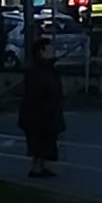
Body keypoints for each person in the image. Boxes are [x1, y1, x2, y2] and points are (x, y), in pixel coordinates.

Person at [19, 38, 66, 178]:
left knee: (47, 141)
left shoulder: (48, 69)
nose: (52, 51)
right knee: (40, 141)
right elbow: (37, 93)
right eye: (48, 49)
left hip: (46, 112)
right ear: (41, 52)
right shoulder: (38, 71)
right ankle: (36, 168)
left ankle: (42, 166)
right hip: (39, 113)